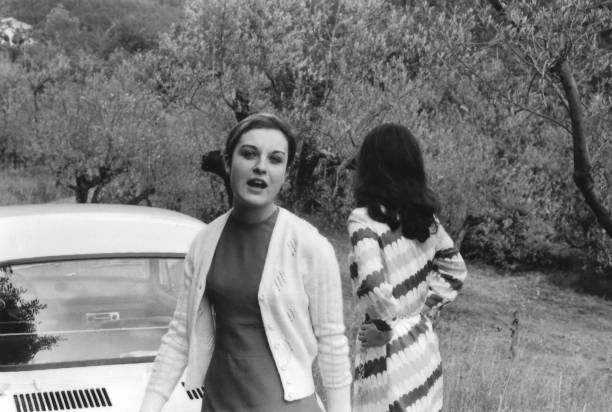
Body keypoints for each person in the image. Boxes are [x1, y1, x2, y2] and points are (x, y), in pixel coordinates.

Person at [139, 113, 351, 412]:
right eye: (249, 154)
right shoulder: (204, 242)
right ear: (228, 162)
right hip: (219, 404)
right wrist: (149, 405)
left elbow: (332, 342)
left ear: (285, 174)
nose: (260, 167)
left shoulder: (311, 246)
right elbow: (179, 335)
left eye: (275, 159)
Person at [347, 123, 467, 412]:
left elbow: (373, 284)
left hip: (385, 346)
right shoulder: (426, 220)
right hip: (422, 345)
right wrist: (424, 313)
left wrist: (387, 327)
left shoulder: (363, 220)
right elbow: (455, 270)